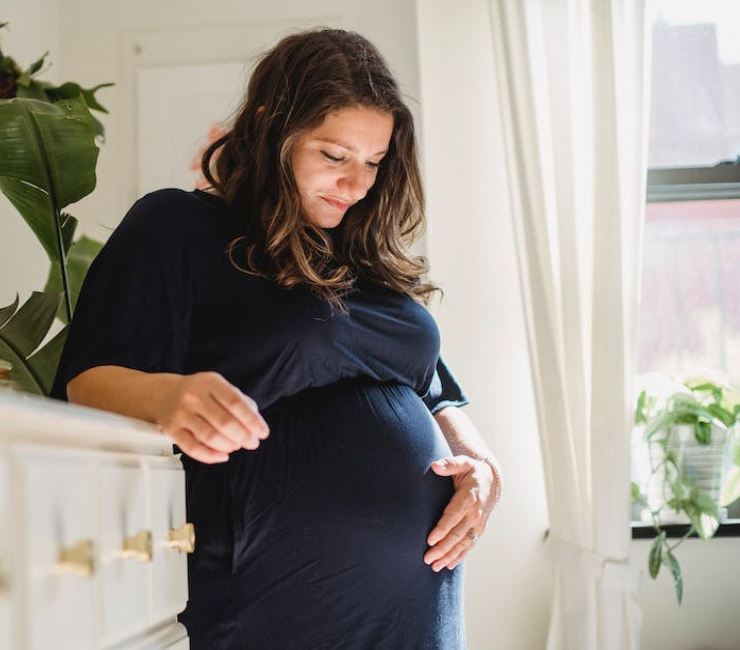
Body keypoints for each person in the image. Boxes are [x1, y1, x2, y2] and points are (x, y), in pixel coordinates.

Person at [50, 27, 501, 649]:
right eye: (334, 156)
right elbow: (86, 381)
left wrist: (481, 466)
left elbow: (433, 386)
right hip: (273, 605)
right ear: (270, 129)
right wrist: (167, 398)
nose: (357, 185)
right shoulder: (180, 229)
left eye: (374, 162)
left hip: (418, 611)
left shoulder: (362, 254)